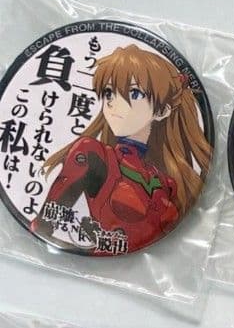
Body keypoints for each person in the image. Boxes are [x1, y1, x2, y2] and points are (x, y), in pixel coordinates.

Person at [32, 44, 211, 254]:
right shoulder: (93, 155)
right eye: (109, 93)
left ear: (162, 111)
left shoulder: (165, 182)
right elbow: (42, 227)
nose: (113, 103)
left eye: (134, 93)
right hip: (97, 269)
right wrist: (91, 247)